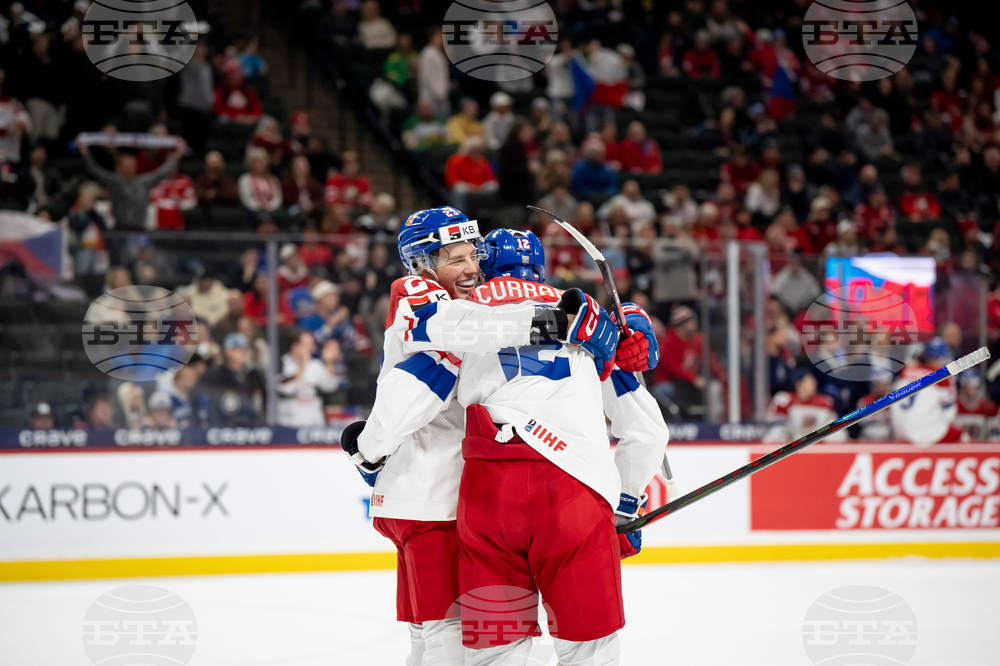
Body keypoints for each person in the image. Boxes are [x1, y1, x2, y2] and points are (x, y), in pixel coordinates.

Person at [343, 224, 663, 666]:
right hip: (576, 493)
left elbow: (410, 397)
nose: (469, 267)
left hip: (486, 495)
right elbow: (648, 433)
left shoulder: (463, 316)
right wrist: (626, 504)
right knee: (591, 650)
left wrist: (370, 449)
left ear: (486, 263)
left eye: (472, 256)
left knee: (490, 649)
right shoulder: (587, 317)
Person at [79, 139, 185, 231]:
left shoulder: (144, 181)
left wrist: (176, 157)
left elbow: (161, 172)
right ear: (119, 168)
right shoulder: (114, 182)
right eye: (127, 166)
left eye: (133, 165)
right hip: (119, 229)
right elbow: (95, 170)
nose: (131, 168)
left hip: (139, 229)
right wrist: (85, 154)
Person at [890, 338, 964, 447]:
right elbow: (949, 415)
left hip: (898, 430)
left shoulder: (906, 370)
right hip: (922, 435)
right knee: (961, 435)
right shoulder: (944, 378)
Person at [193, 333, 266, 427]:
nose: (244, 352)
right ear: (228, 351)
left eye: (246, 348)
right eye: (240, 349)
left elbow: (262, 401)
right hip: (223, 426)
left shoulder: (254, 375)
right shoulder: (215, 375)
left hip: (251, 425)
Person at [276, 330, 345, 426]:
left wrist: (329, 362)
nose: (311, 348)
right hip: (290, 417)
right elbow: (285, 388)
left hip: (313, 417)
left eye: (311, 344)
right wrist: (303, 363)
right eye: (307, 344)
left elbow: (330, 386)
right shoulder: (282, 362)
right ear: (295, 347)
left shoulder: (315, 364)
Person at [764, 370, 844, 443]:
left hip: (817, 438)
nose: (815, 383)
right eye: (810, 381)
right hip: (791, 439)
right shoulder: (784, 399)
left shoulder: (825, 401)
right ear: (799, 384)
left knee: (839, 434)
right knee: (775, 434)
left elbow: (833, 424)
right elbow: (774, 423)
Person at [238, 147, 283, 218]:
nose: (258, 165)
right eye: (256, 162)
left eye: (261, 162)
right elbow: (246, 198)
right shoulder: (245, 179)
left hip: (272, 212)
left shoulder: (273, 179)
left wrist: (269, 207)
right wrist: (259, 206)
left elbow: (277, 198)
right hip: (252, 212)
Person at [955, 370, 999, 441]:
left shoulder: (989, 407)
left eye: (973, 386)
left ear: (978, 387)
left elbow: (995, 435)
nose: (970, 391)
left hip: (982, 448)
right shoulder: (954, 405)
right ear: (962, 387)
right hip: (958, 448)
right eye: (967, 386)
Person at [418, 27, 450, 117]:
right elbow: (428, 76)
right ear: (431, 38)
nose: (441, 39)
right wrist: (439, 93)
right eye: (438, 37)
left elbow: (442, 75)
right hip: (431, 96)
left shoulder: (438, 53)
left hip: (441, 95)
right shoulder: (428, 53)